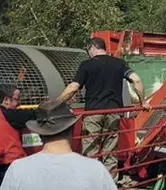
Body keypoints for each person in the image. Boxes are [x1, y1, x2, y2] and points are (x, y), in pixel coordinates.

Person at [56, 37, 149, 181]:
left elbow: (73, 87)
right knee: (110, 153)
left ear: (92, 47)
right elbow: (136, 80)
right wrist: (143, 102)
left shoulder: (87, 65)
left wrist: (56, 103)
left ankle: (91, 185)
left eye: (88, 50)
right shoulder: (119, 64)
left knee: (90, 152)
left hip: (93, 114)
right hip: (114, 114)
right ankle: (110, 186)